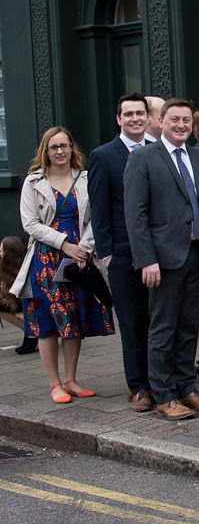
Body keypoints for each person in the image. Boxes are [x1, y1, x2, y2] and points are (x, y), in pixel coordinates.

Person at [125, 100, 199, 419]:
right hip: (163, 260)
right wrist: (146, 260)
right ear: (160, 121)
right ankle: (164, 394)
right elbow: (136, 215)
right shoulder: (143, 157)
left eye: (186, 120)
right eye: (174, 119)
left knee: (188, 326)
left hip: (198, 255)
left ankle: (186, 388)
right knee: (163, 327)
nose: (181, 124)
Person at [13, 128, 113, 405]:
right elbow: (30, 224)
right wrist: (65, 243)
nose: (59, 151)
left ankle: (71, 379)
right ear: (45, 151)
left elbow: (97, 216)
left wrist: (84, 248)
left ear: (72, 148)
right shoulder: (34, 182)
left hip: (79, 257)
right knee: (47, 320)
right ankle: (54, 383)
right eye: (53, 147)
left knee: (74, 316)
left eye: (64, 146)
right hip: (46, 258)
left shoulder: (86, 178)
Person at [87, 93, 154, 410]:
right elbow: (99, 211)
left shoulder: (157, 151)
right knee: (131, 323)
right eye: (128, 114)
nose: (135, 119)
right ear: (119, 119)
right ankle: (138, 387)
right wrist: (108, 254)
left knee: (157, 322)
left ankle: (158, 381)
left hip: (158, 253)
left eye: (140, 113)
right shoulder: (104, 156)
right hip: (123, 255)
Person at [0, 237, 31, 350]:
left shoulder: (25, 270)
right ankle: (30, 332)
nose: (0, 252)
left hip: (28, 303)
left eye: (1, 250)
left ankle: (30, 332)